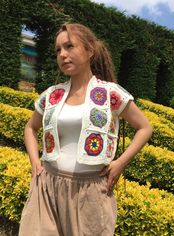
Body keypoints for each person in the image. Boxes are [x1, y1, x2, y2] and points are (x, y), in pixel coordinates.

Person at [18, 22, 152, 236]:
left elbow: (144, 128)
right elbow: (30, 127)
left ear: (90, 50)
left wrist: (119, 164)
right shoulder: (52, 95)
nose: (62, 54)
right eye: (58, 50)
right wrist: (35, 161)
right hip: (48, 186)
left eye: (70, 46)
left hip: (90, 192)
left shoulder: (109, 94)